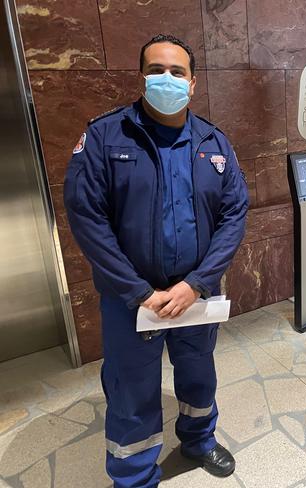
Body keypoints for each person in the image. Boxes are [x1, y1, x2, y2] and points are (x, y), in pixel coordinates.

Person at [64, 34, 248, 487]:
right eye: (157, 70)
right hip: (132, 300)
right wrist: (136, 291)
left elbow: (234, 215)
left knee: (198, 372)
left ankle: (199, 439)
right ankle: (133, 476)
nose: (167, 78)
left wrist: (197, 283)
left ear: (193, 83)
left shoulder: (214, 143)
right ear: (141, 77)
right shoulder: (106, 137)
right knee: (132, 390)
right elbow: (87, 219)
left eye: (177, 72)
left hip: (195, 296)